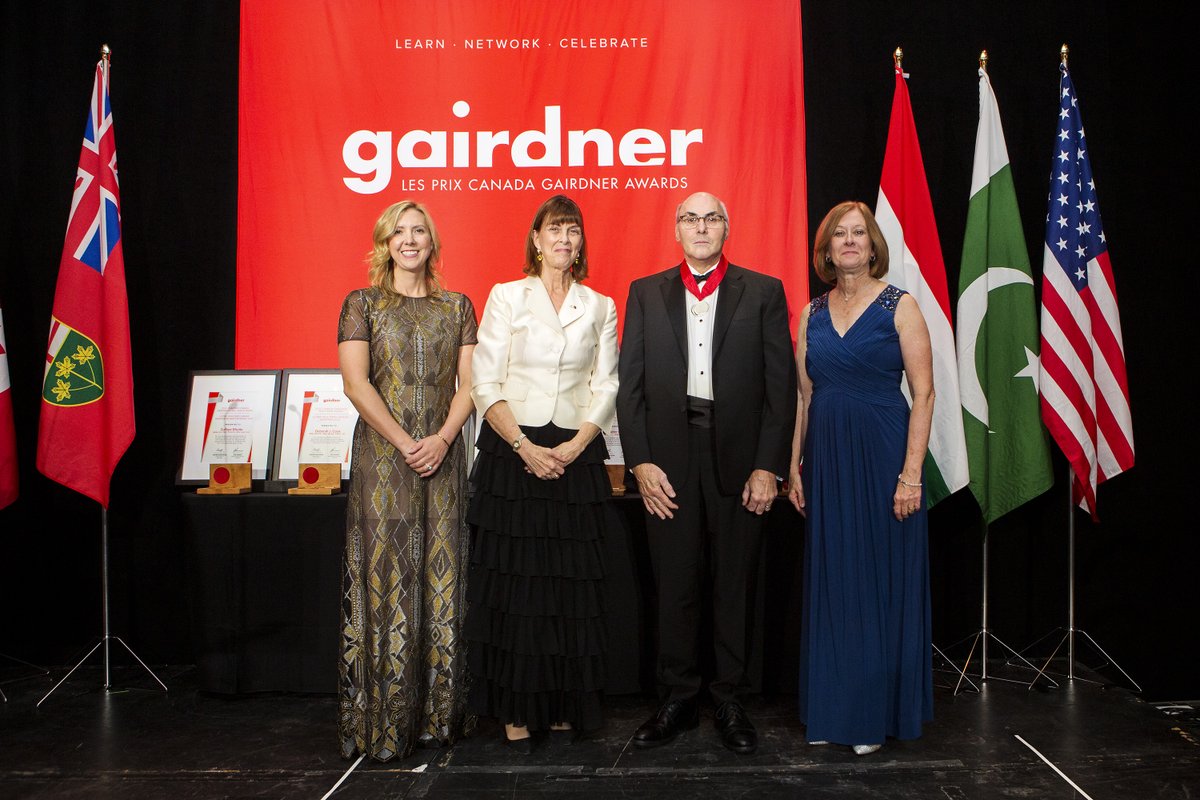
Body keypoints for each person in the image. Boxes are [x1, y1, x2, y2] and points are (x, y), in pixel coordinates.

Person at [617, 191, 796, 755]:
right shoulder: (646, 292)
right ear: (677, 229)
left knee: (733, 584)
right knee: (674, 584)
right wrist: (640, 461)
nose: (701, 227)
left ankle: (729, 698)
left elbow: (780, 389)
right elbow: (632, 387)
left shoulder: (763, 291)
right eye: (690, 218)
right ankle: (676, 697)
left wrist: (769, 466)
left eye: (711, 217)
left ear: (726, 227)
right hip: (667, 460)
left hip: (739, 460)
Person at [465, 194, 619, 754]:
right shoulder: (507, 297)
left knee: (567, 587)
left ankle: (560, 705)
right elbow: (485, 382)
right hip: (514, 452)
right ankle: (515, 708)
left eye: (573, 231)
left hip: (575, 456)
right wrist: (526, 446)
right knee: (517, 588)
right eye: (555, 230)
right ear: (535, 239)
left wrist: (578, 443)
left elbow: (607, 385)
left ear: (581, 243)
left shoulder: (599, 305)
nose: (565, 239)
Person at [788, 200, 935, 756]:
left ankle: (873, 714)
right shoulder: (810, 313)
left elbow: (924, 394)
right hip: (826, 463)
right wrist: (793, 467)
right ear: (825, 250)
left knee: (877, 583)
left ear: (873, 246)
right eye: (839, 235)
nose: (849, 242)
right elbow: (805, 398)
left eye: (859, 233)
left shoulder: (902, 306)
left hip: (883, 460)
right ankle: (833, 708)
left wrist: (911, 475)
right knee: (833, 582)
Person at [337, 200, 478, 761]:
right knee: (387, 576)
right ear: (384, 243)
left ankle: (436, 719)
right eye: (399, 232)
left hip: (443, 460)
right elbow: (355, 383)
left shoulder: (458, 307)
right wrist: (405, 443)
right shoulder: (362, 304)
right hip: (384, 461)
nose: (410, 240)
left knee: (441, 575)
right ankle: (385, 722)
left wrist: (442, 439)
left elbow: (471, 383)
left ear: (432, 243)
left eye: (419, 231)